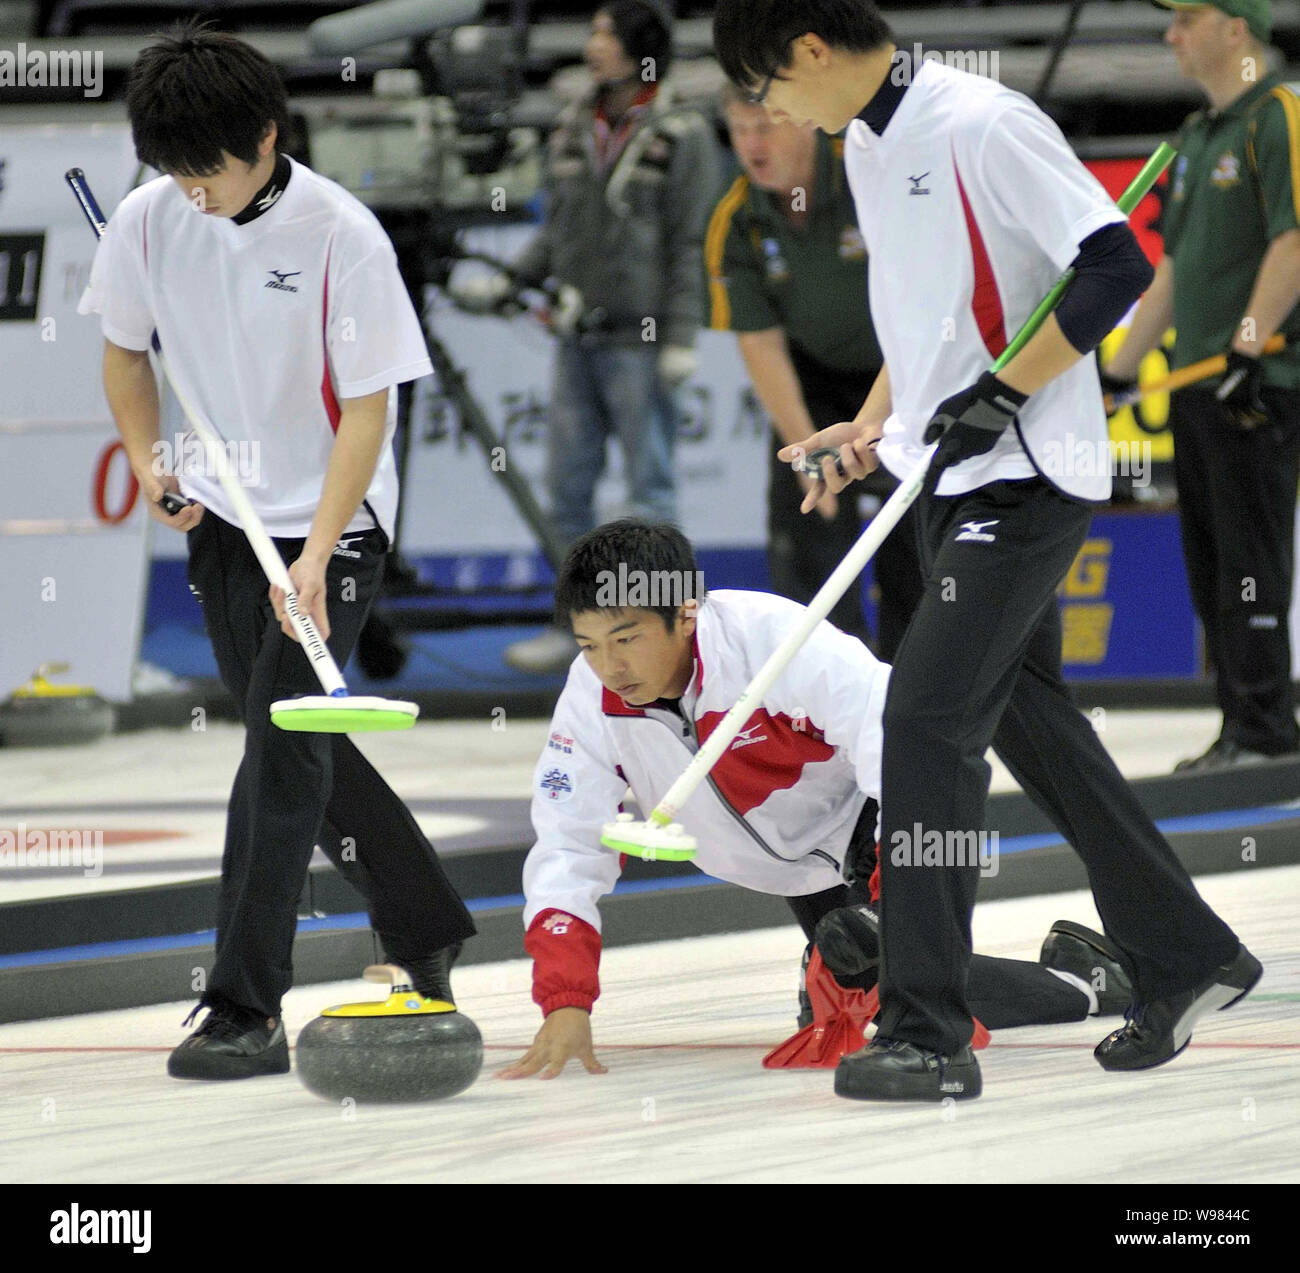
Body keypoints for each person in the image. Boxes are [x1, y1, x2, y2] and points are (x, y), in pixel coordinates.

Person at [713, 0, 1261, 1102]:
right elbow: (929, 329)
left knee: (921, 722)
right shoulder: (866, 139)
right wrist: (872, 423)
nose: (768, 114)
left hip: (1020, 476)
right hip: (944, 475)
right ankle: (1190, 954)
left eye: (768, 89)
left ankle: (926, 1030)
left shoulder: (983, 124)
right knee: (1032, 725)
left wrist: (1007, 388)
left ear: (812, 51)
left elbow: (1109, 269)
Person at [79, 22, 475, 1080]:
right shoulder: (148, 218)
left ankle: (243, 1002)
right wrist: (146, 454)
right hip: (220, 519)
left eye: (205, 167)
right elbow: (124, 349)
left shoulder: (340, 234)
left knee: (280, 748)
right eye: (169, 168)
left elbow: (366, 409)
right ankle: (424, 917)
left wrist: (322, 548)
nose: (189, 189)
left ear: (264, 134)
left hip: (329, 520)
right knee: (299, 742)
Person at [499, 521, 1133, 1079]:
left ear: (686, 612)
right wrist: (566, 1001)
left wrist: (895, 905)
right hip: (793, 865)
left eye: (626, 638)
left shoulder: (777, 641)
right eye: (588, 645)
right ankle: (1073, 967)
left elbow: (909, 752)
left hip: (873, 820)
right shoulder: (591, 699)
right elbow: (568, 845)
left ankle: (1086, 984)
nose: (609, 667)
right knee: (853, 975)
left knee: (886, 981)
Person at [1104, 0, 1300, 771]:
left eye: (1187, 18)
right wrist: (1117, 371)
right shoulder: (1195, 136)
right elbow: (1174, 269)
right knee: (1213, 562)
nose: (1170, 35)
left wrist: (1248, 347)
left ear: (1236, 27)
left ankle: (1266, 733)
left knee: (1250, 559)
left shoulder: (1279, 116)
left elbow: (1294, 237)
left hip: (1254, 379)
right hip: (1200, 380)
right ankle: (1242, 727)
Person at [499, 1, 720, 674]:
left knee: (650, 493)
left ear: (638, 48)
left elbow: (691, 243)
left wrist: (681, 333)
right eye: (591, 30)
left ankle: (663, 633)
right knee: (567, 488)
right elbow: (557, 226)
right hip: (577, 336)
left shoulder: (682, 131)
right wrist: (511, 280)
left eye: (604, 34)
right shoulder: (572, 123)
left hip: (642, 340)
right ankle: (577, 628)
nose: (592, 45)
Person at [708, 84, 922, 656]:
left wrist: (883, 417)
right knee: (807, 533)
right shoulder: (737, 220)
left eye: (765, 127)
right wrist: (804, 450)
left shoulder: (866, 175)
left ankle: (912, 699)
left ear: (802, 122)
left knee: (917, 541)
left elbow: (926, 293)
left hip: (908, 370)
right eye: (738, 129)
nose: (751, 144)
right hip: (814, 383)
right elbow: (762, 345)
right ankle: (825, 699)